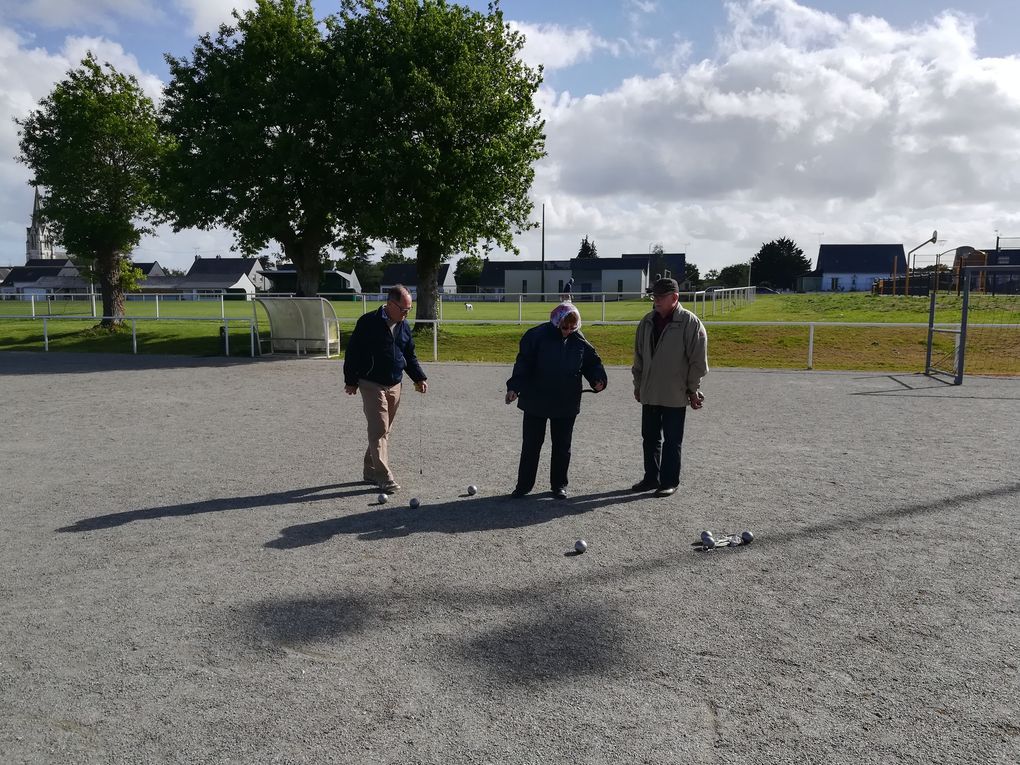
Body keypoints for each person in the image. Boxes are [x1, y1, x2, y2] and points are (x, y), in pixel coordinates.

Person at [505, 302, 607, 499]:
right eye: (564, 327)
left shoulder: (580, 341)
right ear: (556, 321)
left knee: (562, 446)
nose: (568, 331)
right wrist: (514, 387)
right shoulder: (535, 336)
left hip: (566, 401)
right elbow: (523, 363)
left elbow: (592, 363)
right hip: (536, 399)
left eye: (572, 328)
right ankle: (523, 486)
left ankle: (559, 485)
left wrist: (598, 379)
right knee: (531, 445)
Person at [343, 285, 428, 494]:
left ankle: (370, 469)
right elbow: (352, 353)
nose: (407, 313)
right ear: (390, 304)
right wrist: (351, 380)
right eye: (404, 309)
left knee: (383, 430)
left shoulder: (403, 325)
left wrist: (419, 377)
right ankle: (384, 477)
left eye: (409, 309)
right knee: (379, 428)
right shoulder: (368, 322)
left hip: (395, 384)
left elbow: (409, 355)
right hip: (371, 383)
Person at [631, 277, 708, 497]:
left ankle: (669, 481)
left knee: (672, 440)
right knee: (649, 438)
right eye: (654, 296)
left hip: (676, 393)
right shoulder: (646, 322)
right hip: (650, 391)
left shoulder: (690, 323)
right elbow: (639, 358)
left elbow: (698, 362)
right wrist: (638, 385)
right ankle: (650, 478)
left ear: (674, 297)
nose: (655, 300)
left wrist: (692, 389)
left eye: (660, 296)